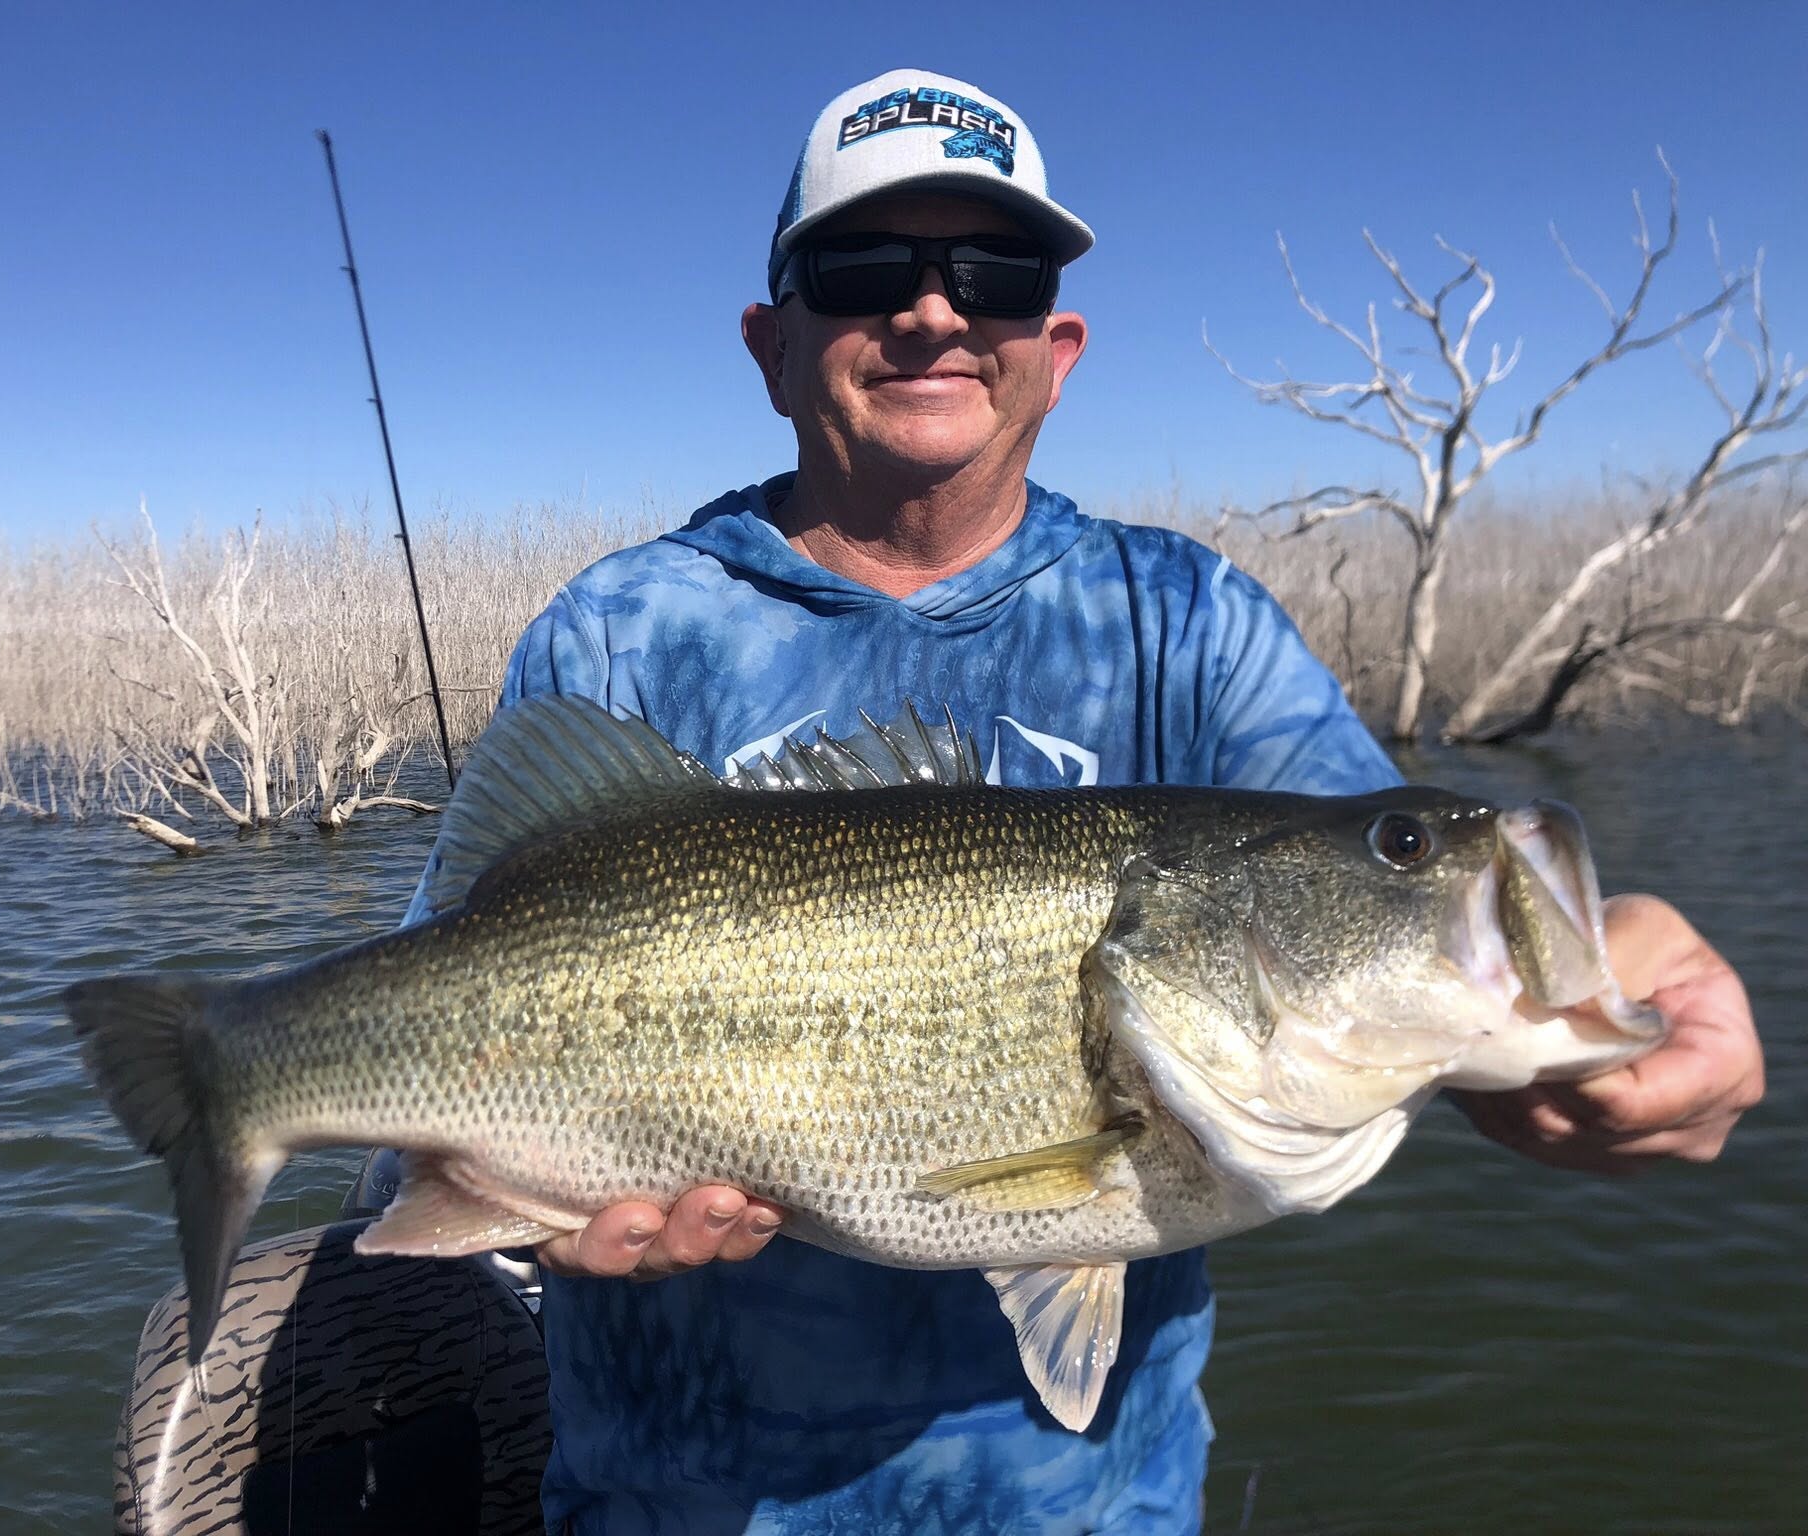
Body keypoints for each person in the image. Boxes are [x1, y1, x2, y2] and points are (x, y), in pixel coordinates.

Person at [405, 69, 1765, 1535]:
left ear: (1058, 346)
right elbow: (448, 1013)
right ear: (771, 342)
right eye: (865, 268)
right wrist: (520, 1202)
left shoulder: (1185, 620)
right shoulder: (620, 629)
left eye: (996, 274)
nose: (936, 313)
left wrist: (1606, 975)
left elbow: (1384, 940)